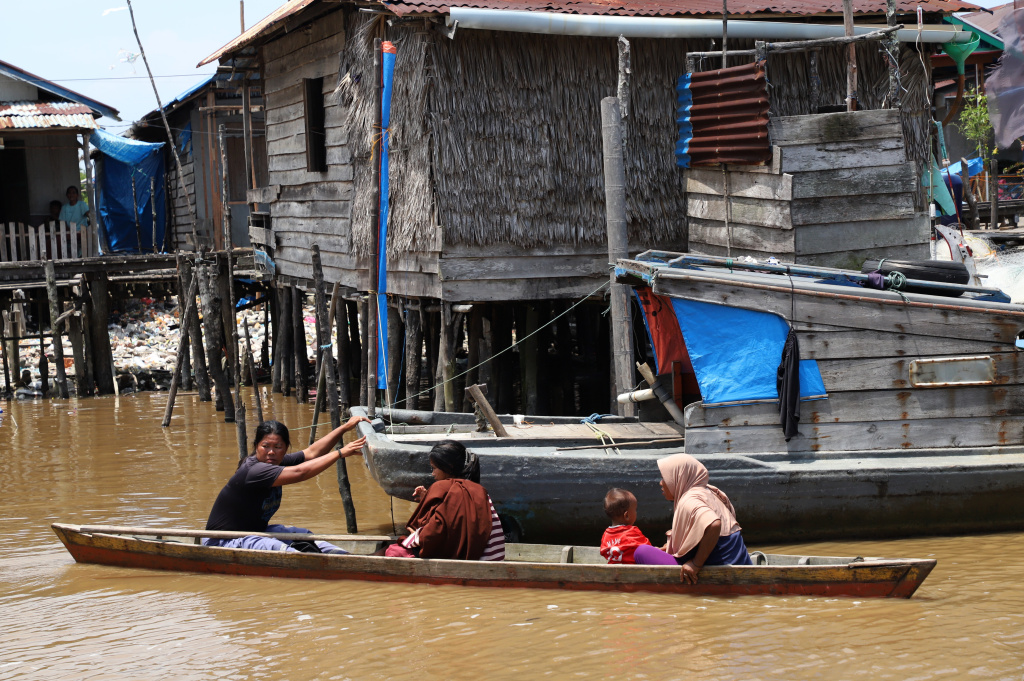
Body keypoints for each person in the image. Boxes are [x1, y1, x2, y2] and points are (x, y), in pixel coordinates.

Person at [203, 417, 368, 553]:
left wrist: (345, 427)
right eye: (265, 446)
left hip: (254, 533)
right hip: (222, 542)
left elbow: (311, 453)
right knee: (276, 547)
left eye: (277, 447)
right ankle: (320, 565)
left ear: (285, 448)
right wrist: (339, 453)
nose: (271, 452)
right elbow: (300, 472)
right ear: (256, 447)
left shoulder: (276, 462)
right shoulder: (254, 470)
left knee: (303, 536)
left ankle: (348, 558)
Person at [633, 453, 752, 582]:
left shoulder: (690, 500)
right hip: (740, 563)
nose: (661, 483)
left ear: (678, 477)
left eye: (664, 478)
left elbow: (714, 524)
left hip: (720, 569)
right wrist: (668, 548)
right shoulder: (710, 492)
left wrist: (696, 564)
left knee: (641, 552)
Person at [385, 440, 504, 561]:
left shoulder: (441, 487)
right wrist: (427, 499)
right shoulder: (480, 490)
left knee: (392, 551)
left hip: (467, 561)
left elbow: (431, 534)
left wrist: (410, 537)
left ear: (449, 467)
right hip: (493, 557)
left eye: (434, 468)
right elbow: (455, 520)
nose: (432, 473)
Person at [600, 488, 652, 564]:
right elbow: (648, 549)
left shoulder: (606, 534)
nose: (636, 512)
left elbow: (603, 552)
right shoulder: (631, 532)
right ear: (626, 515)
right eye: (635, 510)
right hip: (633, 572)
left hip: (612, 573)